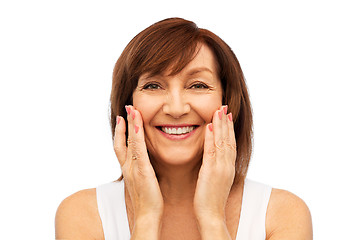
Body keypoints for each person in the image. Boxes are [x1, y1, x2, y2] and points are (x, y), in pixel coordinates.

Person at [55, 18, 312, 240]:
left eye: (198, 85)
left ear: (227, 102)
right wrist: (146, 217)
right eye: (153, 86)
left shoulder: (281, 215)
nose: (176, 109)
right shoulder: (83, 214)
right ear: (127, 104)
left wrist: (212, 218)